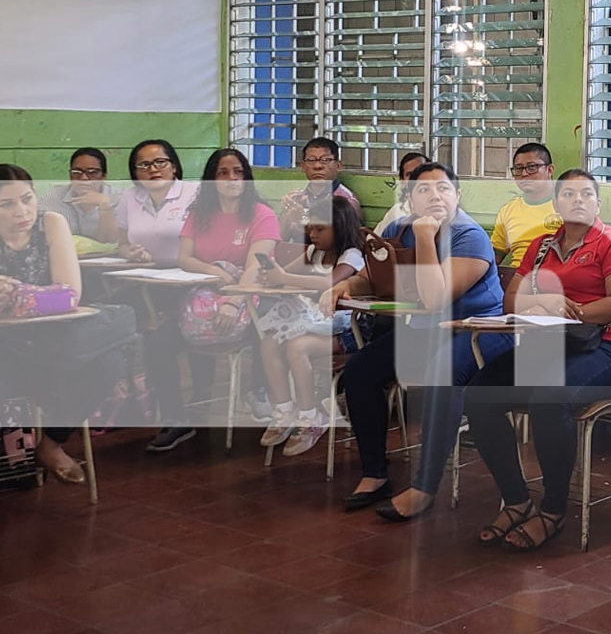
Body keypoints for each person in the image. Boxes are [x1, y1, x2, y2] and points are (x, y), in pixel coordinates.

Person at [464, 170, 611, 552]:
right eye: (569, 194)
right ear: (556, 204)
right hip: (547, 346)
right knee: (479, 395)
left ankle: (554, 508)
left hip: (604, 350)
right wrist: (545, 302)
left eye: (586, 194)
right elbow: (512, 301)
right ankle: (516, 499)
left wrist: (572, 312)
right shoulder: (541, 246)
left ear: (598, 203)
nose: (578, 200)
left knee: (548, 397)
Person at [323, 162, 507, 518]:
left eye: (443, 189)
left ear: (458, 195)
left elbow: (437, 298)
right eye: (423, 190)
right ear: (411, 197)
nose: (434, 196)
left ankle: (424, 486)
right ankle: (375, 473)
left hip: (476, 332)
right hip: (425, 330)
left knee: (444, 374)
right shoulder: (396, 228)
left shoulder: (470, 236)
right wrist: (347, 285)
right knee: (360, 371)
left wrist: (425, 237)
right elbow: (371, 275)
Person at [143, 148, 279, 454]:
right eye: (222, 172)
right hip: (202, 303)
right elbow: (185, 258)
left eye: (238, 172)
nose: (231, 179)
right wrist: (213, 270)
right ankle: (176, 419)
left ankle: (257, 392)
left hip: (249, 296)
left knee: (269, 320)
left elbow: (257, 267)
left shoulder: (262, 214)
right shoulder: (199, 213)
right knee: (158, 342)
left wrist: (233, 302)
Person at [0, 164, 125, 486]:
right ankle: (14, 459)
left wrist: (18, 295)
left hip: (53, 339)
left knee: (110, 364)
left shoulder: (51, 223)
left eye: (27, 199)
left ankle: (51, 442)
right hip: (7, 347)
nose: (22, 211)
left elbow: (70, 294)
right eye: (7, 204)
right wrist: (37, 297)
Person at [255, 195, 366, 456]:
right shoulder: (314, 252)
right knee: (269, 342)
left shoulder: (352, 255)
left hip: (346, 328)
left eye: (319, 228)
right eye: (310, 227)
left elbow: (330, 282)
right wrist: (273, 276)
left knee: (297, 348)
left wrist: (284, 277)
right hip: (313, 321)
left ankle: (310, 414)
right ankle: (284, 408)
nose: (312, 234)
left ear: (339, 226)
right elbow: (286, 275)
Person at [115, 139, 195, 265]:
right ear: (135, 173)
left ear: (174, 166)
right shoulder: (129, 197)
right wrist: (129, 252)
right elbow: (123, 245)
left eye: (160, 162)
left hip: (186, 273)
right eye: (144, 165)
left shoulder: (194, 193)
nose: (153, 169)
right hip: (142, 273)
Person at [489, 142, 562, 268]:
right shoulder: (509, 210)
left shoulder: (568, 206)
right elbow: (493, 257)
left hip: (556, 279)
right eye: (518, 169)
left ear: (550, 170)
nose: (524, 174)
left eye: (532, 167)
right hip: (517, 279)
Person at [277, 137, 363, 242]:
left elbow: (343, 242)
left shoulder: (346, 201)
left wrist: (303, 219)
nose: (317, 166)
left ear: (338, 166)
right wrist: (286, 213)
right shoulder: (297, 199)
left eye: (325, 160)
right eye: (311, 160)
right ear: (303, 166)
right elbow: (279, 239)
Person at [42, 148, 119, 244]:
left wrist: (105, 206)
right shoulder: (54, 196)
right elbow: (41, 234)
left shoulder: (119, 198)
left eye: (92, 172)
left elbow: (110, 241)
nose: (84, 178)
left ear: (103, 176)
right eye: (76, 172)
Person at [372, 151, 429, 237]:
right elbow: (372, 241)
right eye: (409, 174)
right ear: (402, 182)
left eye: (420, 172)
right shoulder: (397, 211)